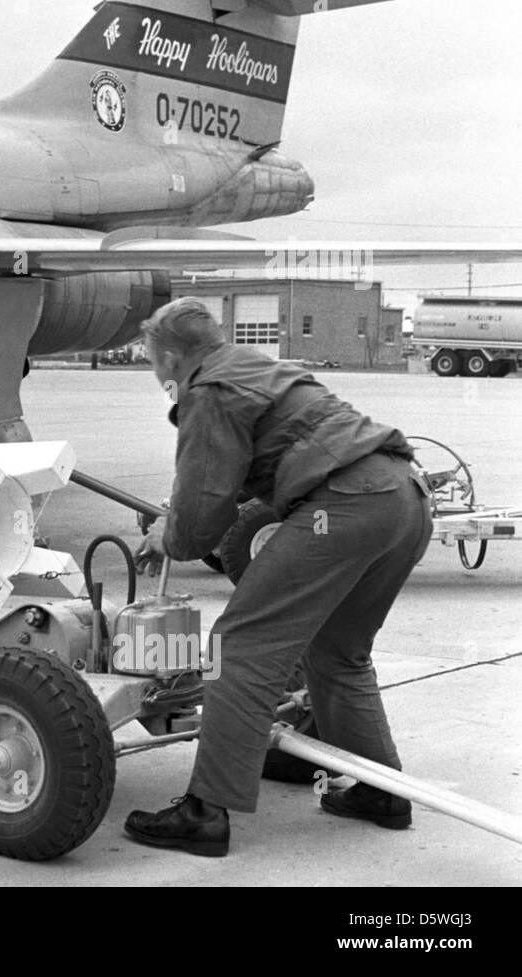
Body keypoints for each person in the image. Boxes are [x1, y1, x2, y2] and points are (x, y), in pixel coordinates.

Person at [126, 298, 432, 856]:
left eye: (152, 362)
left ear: (169, 357)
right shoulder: (253, 366)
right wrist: (178, 513)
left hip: (345, 502)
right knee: (338, 651)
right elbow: (258, 459)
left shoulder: (207, 391)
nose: (155, 374)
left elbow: (199, 523)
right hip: (404, 497)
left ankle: (205, 812)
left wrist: (167, 535)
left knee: (237, 645)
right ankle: (380, 790)